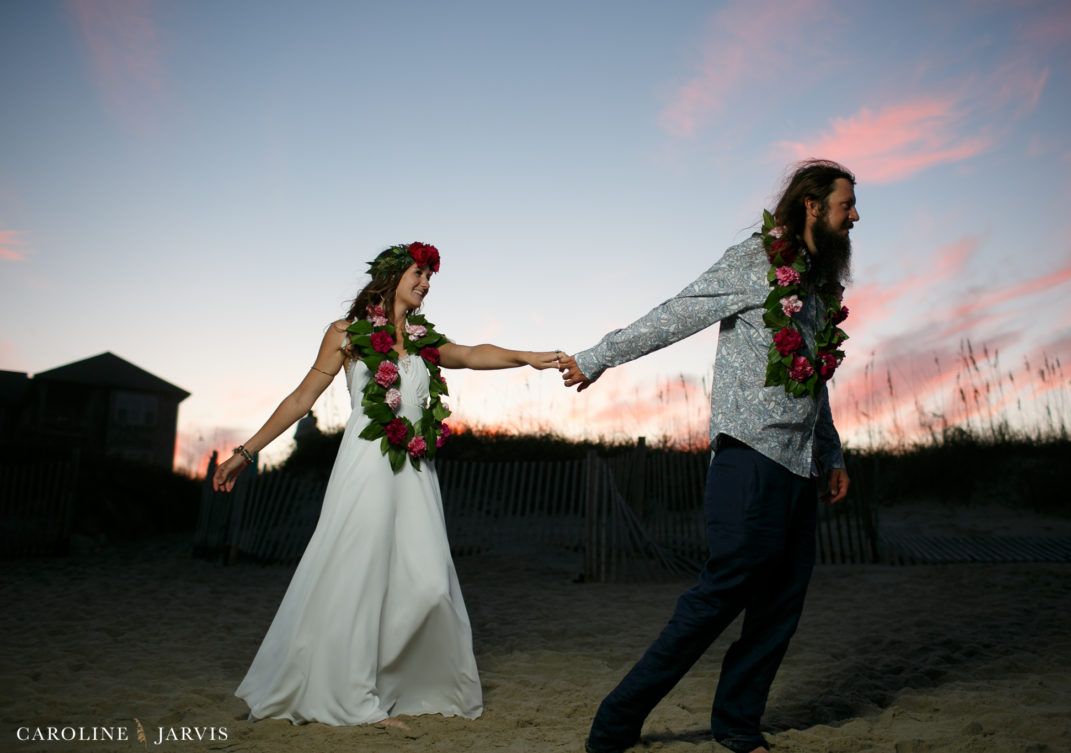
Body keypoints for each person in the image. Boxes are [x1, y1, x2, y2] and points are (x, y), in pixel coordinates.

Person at [560, 160, 859, 753]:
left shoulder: (818, 288)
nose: (854, 215)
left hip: (800, 464)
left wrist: (832, 454)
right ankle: (616, 722)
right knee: (719, 596)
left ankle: (738, 726)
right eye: (846, 204)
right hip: (750, 456)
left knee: (781, 606)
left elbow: (813, 381)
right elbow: (678, 312)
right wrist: (597, 357)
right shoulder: (756, 261)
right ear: (811, 205)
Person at [212, 241, 560, 728]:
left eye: (429, 277)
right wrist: (246, 453)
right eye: (419, 273)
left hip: (415, 469)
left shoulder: (422, 340)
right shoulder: (345, 334)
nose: (426, 284)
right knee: (359, 573)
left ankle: (402, 683)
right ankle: (353, 695)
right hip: (366, 463)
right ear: (392, 276)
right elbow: (301, 399)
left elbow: (470, 354)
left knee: (429, 582)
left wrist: (526, 356)